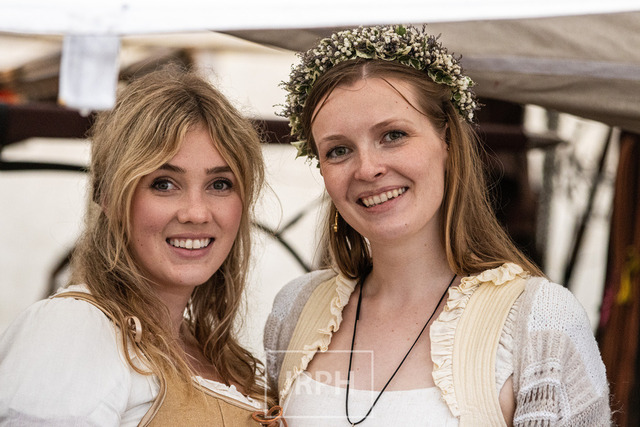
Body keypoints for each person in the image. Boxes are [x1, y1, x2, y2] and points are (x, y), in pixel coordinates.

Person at [264, 25, 611, 426]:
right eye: (339, 150)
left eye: (393, 135)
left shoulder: (539, 322)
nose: (368, 169)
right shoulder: (295, 309)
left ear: (446, 139)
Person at [0, 66, 284, 426]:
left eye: (220, 184)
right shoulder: (75, 329)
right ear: (109, 197)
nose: (197, 213)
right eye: (164, 184)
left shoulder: (217, 354)